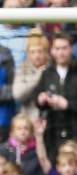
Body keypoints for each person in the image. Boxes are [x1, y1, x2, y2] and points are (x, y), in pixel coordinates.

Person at [33, 33, 77, 163]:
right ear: (52, 51)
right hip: (53, 130)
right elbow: (37, 98)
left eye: (64, 48)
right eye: (57, 48)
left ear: (71, 49)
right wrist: (41, 99)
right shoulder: (47, 73)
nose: (61, 52)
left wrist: (67, 104)